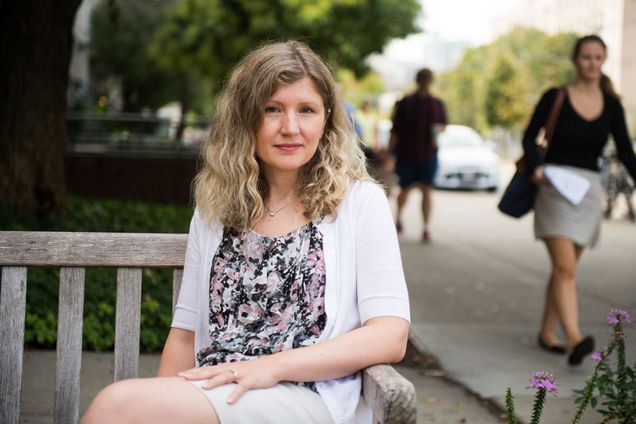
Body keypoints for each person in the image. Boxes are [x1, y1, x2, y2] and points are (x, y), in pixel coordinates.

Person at [81, 41, 410, 424]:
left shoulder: (360, 202)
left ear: (326, 119)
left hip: (305, 395)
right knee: (123, 407)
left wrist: (270, 367)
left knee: (115, 405)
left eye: (306, 110)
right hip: (216, 391)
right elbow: (185, 336)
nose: (290, 127)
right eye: (272, 110)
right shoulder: (216, 209)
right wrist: (161, 403)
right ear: (245, 118)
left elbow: (390, 333)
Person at [522, 35, 636, 365]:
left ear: (604, 61)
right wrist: (537, 168)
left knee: (563, 271)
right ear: (575, 60)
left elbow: (626, 152)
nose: (592, 62)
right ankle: (574, 338)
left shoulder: (611, 105)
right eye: (586, 56)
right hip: (555, 188)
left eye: (598, 57)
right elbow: (529, 137)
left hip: (587, 193)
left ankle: (547, 332)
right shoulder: (555, 97)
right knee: (565, 268)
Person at [389, 68, 447, 242]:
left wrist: (437, 130)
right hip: (407, 153)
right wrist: (390, 154)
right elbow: (395, 131)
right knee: (405, 189)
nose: (425, 81)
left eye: (428, 78)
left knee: (427, 190)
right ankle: (398, 217)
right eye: (423, 78)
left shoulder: (437, 104)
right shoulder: (405, 102)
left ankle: (426, 227)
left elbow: (444, 125)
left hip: (428, 154)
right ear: (418, 80)